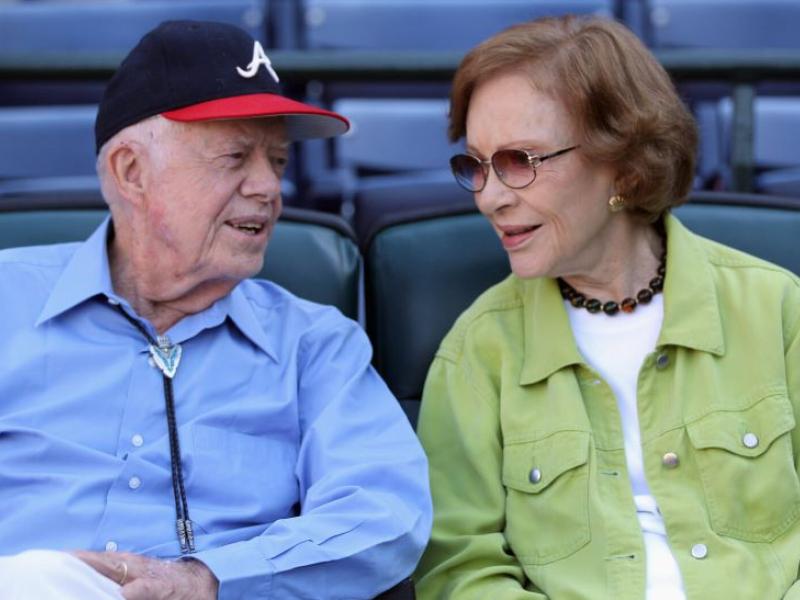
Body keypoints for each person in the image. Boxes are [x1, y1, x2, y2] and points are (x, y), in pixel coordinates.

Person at [0, 20, 431, 600]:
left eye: (277, 162)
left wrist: (208, 579)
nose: (268, 188)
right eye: (234, 157)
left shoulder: (312, 344)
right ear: (132, 172)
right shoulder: (8, 298)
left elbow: (387, 514)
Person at [414, 15, 800, 600]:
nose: (490, 197)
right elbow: (460, 571)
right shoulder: (477, 352)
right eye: (476, 165)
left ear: (623, 162)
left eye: (521, 161)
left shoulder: (777, 309)